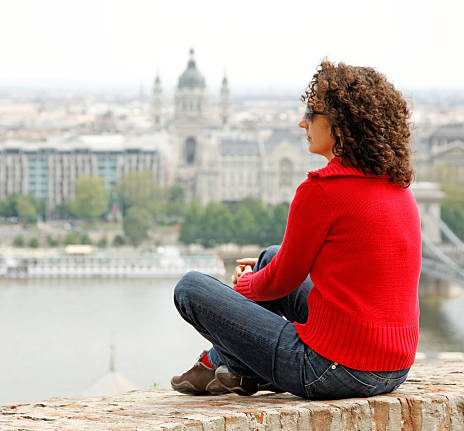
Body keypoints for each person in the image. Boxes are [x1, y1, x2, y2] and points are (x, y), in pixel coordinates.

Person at [170, 60, 421, 399]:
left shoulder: (321, 191)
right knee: (270, 256)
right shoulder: (398, 186)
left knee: (190, 288)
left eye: (311, 112)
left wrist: (244, 285)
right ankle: (238, 370)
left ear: (339, 125)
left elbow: (280, 282)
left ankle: (225, 363)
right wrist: (262, 276)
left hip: (330, 370)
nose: (303, 121)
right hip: (394, 368)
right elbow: (281, 270)